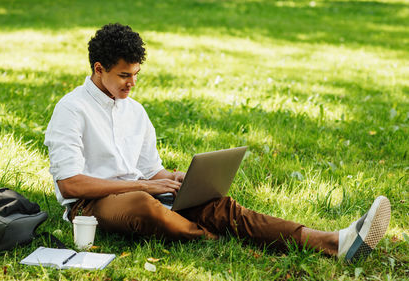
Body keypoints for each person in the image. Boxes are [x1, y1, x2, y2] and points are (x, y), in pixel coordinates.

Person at [44, 23, 391, 262]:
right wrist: (146, 186)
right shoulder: (71, 109)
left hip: (145, 192)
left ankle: (333, 241)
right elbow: (70, 182)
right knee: (141, 202)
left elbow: (152, 169)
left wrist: (176, 178)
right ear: (99, 68)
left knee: (223, 206)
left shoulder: (135, 111)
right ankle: (217, 241)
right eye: (124, 75)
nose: (132, 83)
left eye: (136, 75)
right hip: (92, 206)